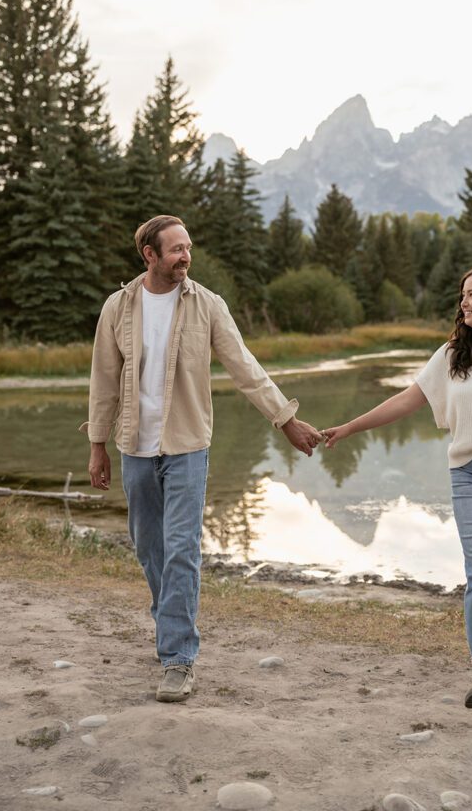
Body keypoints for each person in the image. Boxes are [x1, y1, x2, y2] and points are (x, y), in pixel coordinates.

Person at [82, 214, 322, 703]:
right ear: (149, 255)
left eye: (188, 247)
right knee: (150, 548)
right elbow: (103, 379)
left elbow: (246, 369)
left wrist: (286, 419)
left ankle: (177, 657)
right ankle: (170, 623)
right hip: (135, 448)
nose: (185, 257)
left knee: (182, 550)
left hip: (188, 445)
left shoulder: (208, 305)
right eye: (175, 249)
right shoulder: (119, 307)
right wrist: (97, 446)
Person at [322, 265, 472, 710]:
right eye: (462, 296)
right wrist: (349, 427)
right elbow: (407, 399)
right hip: (470, 472)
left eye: (471, 295)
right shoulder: (453, 354)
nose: (463, 303)